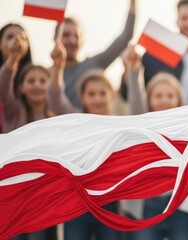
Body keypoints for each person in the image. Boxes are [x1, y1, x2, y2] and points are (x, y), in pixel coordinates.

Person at [48, 40, 121, 240]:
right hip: (77, 203)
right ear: (82, 97)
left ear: (111, 95)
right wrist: (57, 67)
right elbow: (55, 99)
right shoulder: (75, 119)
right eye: (91, 94)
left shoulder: (121, 126)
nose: (97, 99)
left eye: (102, 93)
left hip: (109, 203)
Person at [122, 46, 188, 240]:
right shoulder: (143, 122)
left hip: (179, 205)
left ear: (178, 99)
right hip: (147, 204)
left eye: (170, 96)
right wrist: (135, 70)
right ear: (150, 99)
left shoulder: (187, 128)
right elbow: (136, 98)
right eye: (158, 96)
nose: (164, 100)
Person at [0, 25, 57, 240]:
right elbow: (3, 84)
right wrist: (14, 58)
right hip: (12, 193)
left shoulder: (54, 118)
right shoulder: (15, 111)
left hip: (41, 198)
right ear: (21, 87)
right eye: (30, 81)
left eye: (43, 81)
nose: (37, 86)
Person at [120, 0, 188, 105]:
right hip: (166, 119)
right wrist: (128, 67)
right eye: (184, 18)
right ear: (177, 21)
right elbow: (127, 94)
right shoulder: (157, 54)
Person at [55, 0, 136, 108]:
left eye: (76, 36)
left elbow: (125, 37)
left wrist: (133, 3)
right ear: (55, 38)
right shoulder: (45, 77)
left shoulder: (93, 65)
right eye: (66, 35)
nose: (72, 41)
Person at [0, 23, 33, 134]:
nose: (16, 40)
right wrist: (13, 58)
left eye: (22, 38)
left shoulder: (35, 77)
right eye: (10, 37)